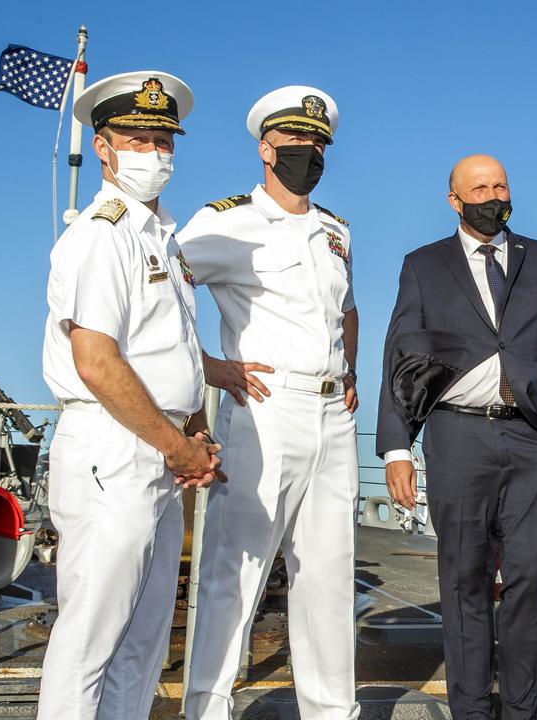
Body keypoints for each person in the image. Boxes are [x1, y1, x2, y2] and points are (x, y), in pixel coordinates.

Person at [378, 154, 537, 720]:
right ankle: (471, 709)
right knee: (464, 580)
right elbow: (400, 358)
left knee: (528, 579)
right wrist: (397, 447)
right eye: (479, 188)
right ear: (455, 200)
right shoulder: (423, 266)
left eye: (500, 185)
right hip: (457, 438)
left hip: (533, 440)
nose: (492, 195)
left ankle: (524, 710)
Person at [39, 70, 219, 720]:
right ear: (104, 146)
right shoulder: (101, 234)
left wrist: (194, 430)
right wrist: (178, 446)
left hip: (161, 452)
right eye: (138, 138)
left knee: (143, 644)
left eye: (163, 139)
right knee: (90, 640)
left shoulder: (159, 239)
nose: (154, 153)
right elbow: (97, 361)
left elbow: (169, 350)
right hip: (114, 451)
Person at [177, 85, 361, 720]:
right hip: (264, 407)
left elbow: (346, 309)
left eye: (317, 145)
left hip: (332, 415)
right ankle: (205, 708)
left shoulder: (336, 229)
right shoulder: (226, 221)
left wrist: (351, 371)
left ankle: (333, 713)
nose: (307, 154)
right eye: (294, 144)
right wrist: (208, 366)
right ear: (266, 148)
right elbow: (151, 294)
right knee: (235, 573)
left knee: (330, 578)